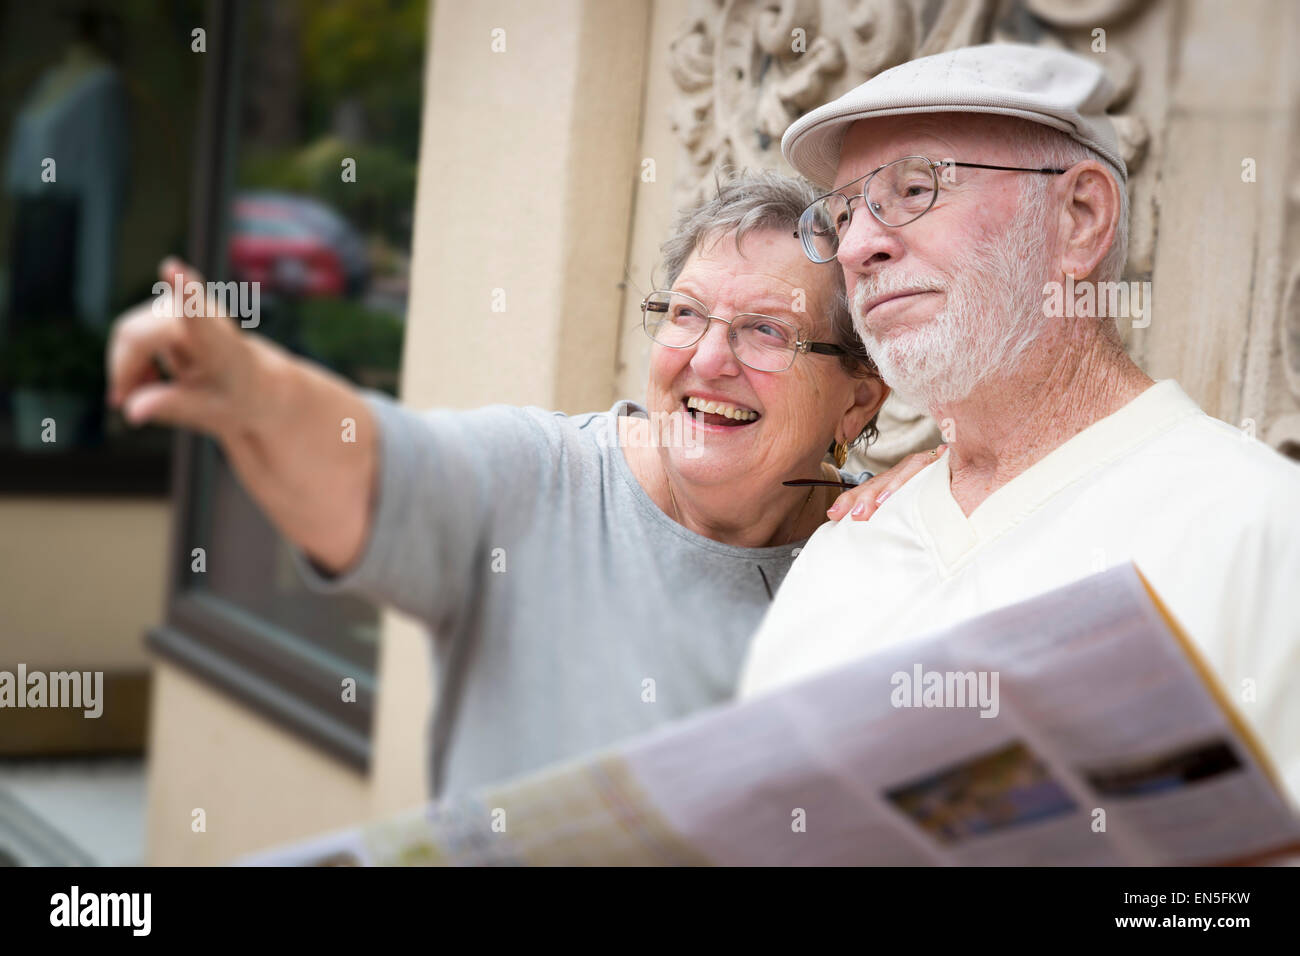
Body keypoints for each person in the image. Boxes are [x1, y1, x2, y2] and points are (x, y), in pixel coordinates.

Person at [107, 170, 929, 798]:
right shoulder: (540, 480)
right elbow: (377, 466)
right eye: (685, 314)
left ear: (859, 397)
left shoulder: (888, 555)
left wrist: (956, 501)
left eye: (765, 331)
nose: (707, 360)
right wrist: (250, 389)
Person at [738, 44, 1300, 805]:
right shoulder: (848, 546)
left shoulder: (1262, 526)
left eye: (913, 187)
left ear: (1079, 218)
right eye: (840, 215)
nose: (858, 246)